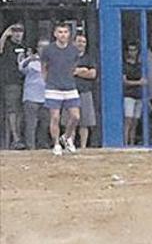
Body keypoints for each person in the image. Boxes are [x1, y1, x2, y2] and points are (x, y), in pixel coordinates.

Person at [42, 23, 81, 155]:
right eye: (60, 32)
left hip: (70, 86)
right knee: (55, 117)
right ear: (55, 34)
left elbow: (74, 66)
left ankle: (66, 137)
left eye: (65, 32)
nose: (63, 34)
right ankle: (56, 144)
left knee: (75, 116)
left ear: (69, 34)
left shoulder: (74, 50)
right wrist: (46, 82)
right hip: (53, 87)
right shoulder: (48, 50)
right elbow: (44, 67)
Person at [19, 39, 50, 150]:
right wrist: (29, 58)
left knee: (45, 124)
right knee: (31, 124)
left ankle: (42, 145)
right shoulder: (31, 61)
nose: (43, 49)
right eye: (41, 46)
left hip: (46, 97)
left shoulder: (52, 61)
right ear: (37, 48)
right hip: (31, 97)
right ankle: (30, 147)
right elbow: (21, 68)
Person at [1, 23, 26, 149]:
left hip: (26, 83)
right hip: (11, 82)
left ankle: (21, 137)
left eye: (20, 30)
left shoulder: (24, 46)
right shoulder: (7, 45)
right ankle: (15, 138)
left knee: (22, 111)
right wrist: (5, 34)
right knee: (12, 110)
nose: (18, 33)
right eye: (15, 31)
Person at [72, 34, 97, 149]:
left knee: (85, 122)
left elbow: (92, 74)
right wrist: (83, 70)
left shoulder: (89, 58)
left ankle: (83, 147)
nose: (81, 44)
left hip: (85, 92)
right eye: (79, 41)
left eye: (83, 42)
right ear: (73, 43)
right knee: (70, 121)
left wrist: (77, 71)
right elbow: (66, 72)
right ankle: (70, 145)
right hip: (71, 93)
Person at [122, 42, 146, 146]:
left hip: (139, 95)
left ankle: (131, 143)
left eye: (134, 50)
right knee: (128, 120)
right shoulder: (124, 65)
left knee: (135, 122)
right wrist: (139, 83)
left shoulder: (140, 65)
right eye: (130, 50)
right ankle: (125, 143)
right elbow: (124, 81)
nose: (132, 52)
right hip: (128, 95)